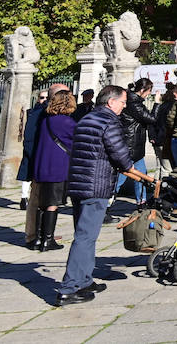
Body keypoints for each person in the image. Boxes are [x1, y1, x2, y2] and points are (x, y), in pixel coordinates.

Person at [56, 85, 150, 306]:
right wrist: (140, 175)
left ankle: (84, 280)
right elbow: (121, 157)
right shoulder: (109, 122)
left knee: (86, 235)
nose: (124, 106)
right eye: (123, 102)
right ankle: (68, 288)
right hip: (95, 186)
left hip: (79, 184)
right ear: (111, 102)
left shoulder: (87, 118)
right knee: (85, 237)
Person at [32, 88, 78, 252]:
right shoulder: (68, 122)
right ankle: (48, 239)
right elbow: (75, 143)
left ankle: (38, 237)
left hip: (42, 164)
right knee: (52, 203)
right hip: (58, 166)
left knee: (42, 203)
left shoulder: (46, 120)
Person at [117, 77, 158, 205]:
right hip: (130, 146)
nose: (149, 94)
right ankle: (106, 203)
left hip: (136, 146)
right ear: (142, 90)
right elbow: (151, 118)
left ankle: (142, 202)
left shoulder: (135, 101)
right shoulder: (133, 103)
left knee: (141, 177)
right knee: (122, 177)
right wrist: (156, 103)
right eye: (148, 91)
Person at [19, 88, 48, 211]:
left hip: (40, 144)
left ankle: (30, 197)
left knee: (32, 171)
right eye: (42, 98)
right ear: (38, 99)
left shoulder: (45, 112)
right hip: (32, 144)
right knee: (28, 171)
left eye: (47, 98)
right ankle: (24, 197)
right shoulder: (34, 112)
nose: (44, 100)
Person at [154, 84, 177, 169]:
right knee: (167, 168)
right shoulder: (174, 106)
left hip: (159, 139)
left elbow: (154, 121)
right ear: (175, 93)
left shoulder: (162, 105)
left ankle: (157, 182)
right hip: (167, 140)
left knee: (160, 167)